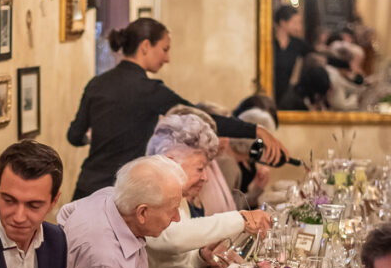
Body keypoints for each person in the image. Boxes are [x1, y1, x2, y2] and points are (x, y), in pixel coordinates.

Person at [67, 17, 289, 199]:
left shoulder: (96, 83)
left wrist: (97, 139)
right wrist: (256, 130)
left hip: (86, 187)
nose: (167, 58)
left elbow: (74, 136)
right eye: (164, 49)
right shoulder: (149, 90)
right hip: (119, 192)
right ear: (145, 46)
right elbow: (204, 120)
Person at [145, 113, 271, 268]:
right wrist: (242, 219)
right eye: (200, 168)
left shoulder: (179, 197)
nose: (206, 177)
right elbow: (173, 237)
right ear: (170, 162)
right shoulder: (148, 193)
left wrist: (200, 258)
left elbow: (177, 262)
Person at [217, 108, 276, 210]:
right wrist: (256, 189)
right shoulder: (227, 163)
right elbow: (229, 209)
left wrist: (257, 187)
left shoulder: (240, 161)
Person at [273, 5, 310, 105]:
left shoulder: (297, 44)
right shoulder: (269, 43)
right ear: (283, 23)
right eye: (295, 23)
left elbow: (317, 55)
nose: (299, 27)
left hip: (285, 97)